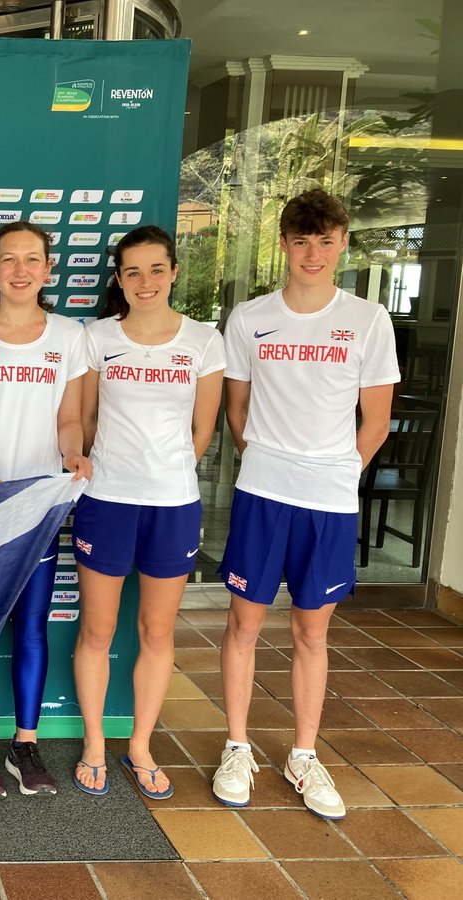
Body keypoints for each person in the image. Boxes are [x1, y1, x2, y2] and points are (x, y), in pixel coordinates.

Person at [212, 189, 399, 820]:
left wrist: (335, 472)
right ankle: (237, 748)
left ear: (343, 242)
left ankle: (304, 754)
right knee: (244, 623)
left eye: (325, 240)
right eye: (300, 240)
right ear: (284, 245)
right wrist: (269, 458)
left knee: (310, 632)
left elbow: (375, 420)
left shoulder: (369, 320)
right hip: (263, 491)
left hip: (329, 501)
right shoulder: (249, 318)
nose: (312, 253)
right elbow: (236, 409)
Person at [72, 226, 225, 799]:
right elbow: (84, 422)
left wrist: (166, 470)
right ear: (118, 279)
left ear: (174, 272)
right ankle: (93, 744)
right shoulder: (96, 337)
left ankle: (139, 745)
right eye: (132, 272)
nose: (145, 282)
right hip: (106, 500)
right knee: (98, 629)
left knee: (157, 633)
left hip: (172, 504)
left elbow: (203, 430)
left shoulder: (205, 340)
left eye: (156, 269)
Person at [0, 222, 92, 799]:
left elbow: (70, 418)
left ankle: (26, 743)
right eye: (8, 259)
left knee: (32, 625)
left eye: (31, 259)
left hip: (38, 507)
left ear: (47, 269)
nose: (19, 270)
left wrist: (74, 455)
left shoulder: (69, 336)